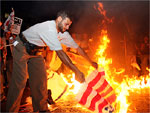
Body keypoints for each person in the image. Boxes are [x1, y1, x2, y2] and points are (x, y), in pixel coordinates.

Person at [6, 11, 98, 112]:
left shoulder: (64, 34)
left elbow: (78, 48)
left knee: (41, 81)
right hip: (22, 47)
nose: (67, 27)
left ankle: (42, 109)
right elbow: (61, 53)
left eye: (69, 25)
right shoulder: (49, 29)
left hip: (37, 52)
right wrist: (76, 71)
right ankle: (11, 110)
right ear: (59, 19)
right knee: (20, 81)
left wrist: (91, 62)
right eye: (66, 24)